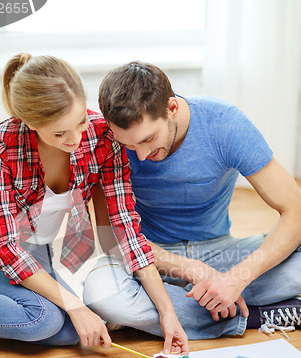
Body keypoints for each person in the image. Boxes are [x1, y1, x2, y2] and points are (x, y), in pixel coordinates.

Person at [0, 54, 189, 355]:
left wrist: (167, 313)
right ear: (32, 124)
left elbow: (126, 231)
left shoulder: (102, 137)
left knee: (74, 330)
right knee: (43, 319)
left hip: (31, 249)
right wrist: (74, 305)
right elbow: (5, 247)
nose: (75, 139)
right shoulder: (2, 146)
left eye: (81, 121)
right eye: (60, 133)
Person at [82, 61, 301, 339]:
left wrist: (236, 278)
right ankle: (253, 315)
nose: (140, 155)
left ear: (171, 108)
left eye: (149, 139)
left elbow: (295, 210)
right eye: (129, 145)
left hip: (221, 255)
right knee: (100, 293)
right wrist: (190, 270)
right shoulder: (106, 141)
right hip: (148, 261)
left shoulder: (224, 124)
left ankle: (181, 306)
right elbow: (112, 239)